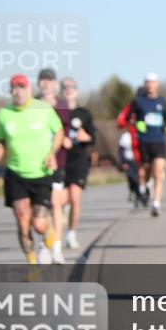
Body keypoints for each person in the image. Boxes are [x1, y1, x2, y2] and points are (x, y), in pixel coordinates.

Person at [0, 74, 64, 265]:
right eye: (14, 87)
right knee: (23, 220)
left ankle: (49, 233)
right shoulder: (4, 113)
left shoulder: (43, 109)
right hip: (15, 173)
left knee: (39, 224)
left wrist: (52, 153)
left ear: (29, 89)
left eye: (21, 87)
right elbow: (0, 139)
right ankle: (32, 266)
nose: (18, 91)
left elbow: (59, 131)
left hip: (41, 173)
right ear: (10, 91)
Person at [35, 67, 69, 263]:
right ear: (39, 83)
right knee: (41, 208)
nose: (46, 83)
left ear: (55, 84)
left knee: (55, 204)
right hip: (36, 163)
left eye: (49, 80)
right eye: (43, 80)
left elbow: (66, 130)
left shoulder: (63, 105)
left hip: (58, 162)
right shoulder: (32, 105)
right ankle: (44, 244)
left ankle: (56, 246)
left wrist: (66, 139)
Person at [129, 74, 166, 216]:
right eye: (148, 82)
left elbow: (165, 118)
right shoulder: (138, 101)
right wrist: (137, 124)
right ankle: (144, 187)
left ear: (157, 84)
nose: (150, 85)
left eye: (153, 82)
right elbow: (129, 118)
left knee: (158, 173)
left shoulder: (162, 101)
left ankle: (156, 203)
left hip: (159, 141)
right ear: (145, 84)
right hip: (144, 141)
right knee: (145, 170)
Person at [60, 77, 96, 248]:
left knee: (75, 198)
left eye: (71, 87)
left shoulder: (84, 114)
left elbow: (93, 137)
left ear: (77, 91)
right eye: (65, 87)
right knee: (60, 201)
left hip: (78, 159)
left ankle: (71, 234)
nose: (68, 90)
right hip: (61, 159)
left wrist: (85, 136)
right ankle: (56, 235)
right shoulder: (56, 112)